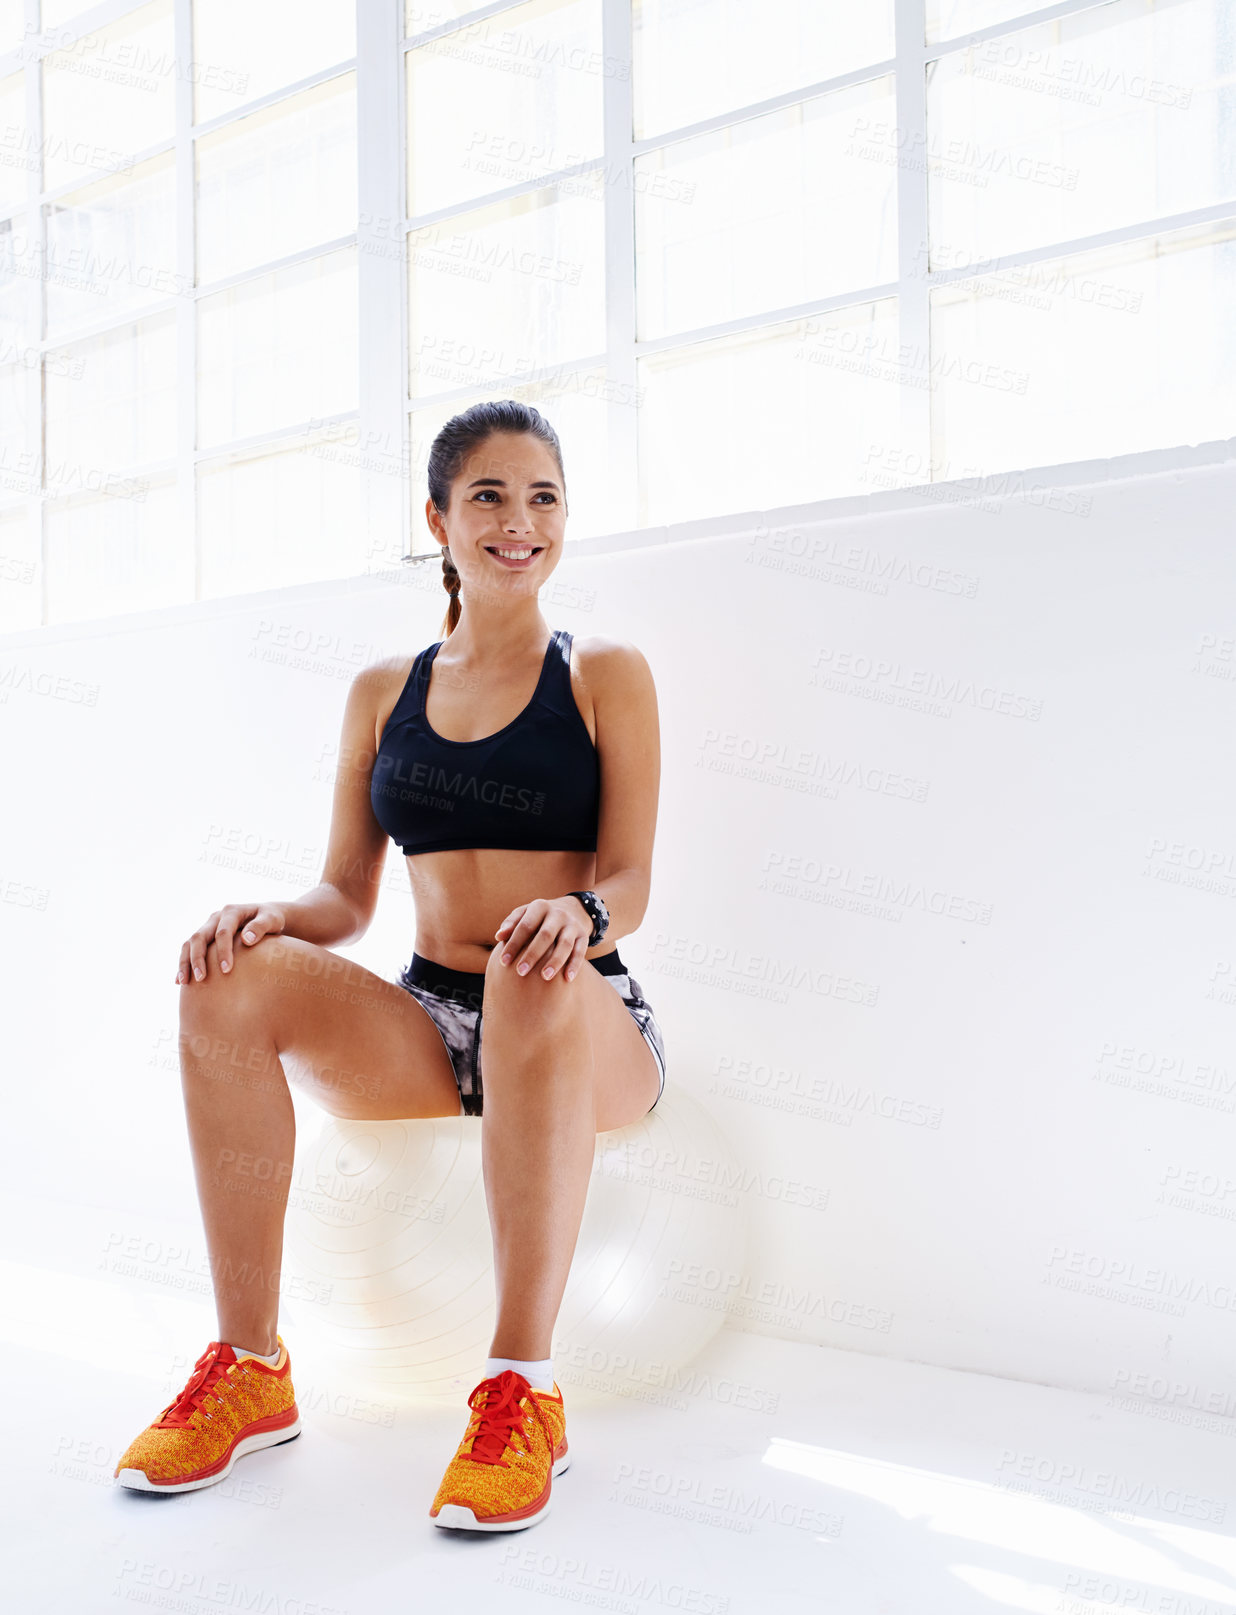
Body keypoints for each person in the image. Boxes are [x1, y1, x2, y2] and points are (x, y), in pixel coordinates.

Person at [113, 400, 668, 1533]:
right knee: (224, 975)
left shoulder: (604, 671)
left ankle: (523, 1387)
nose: (521, 522)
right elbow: (344, 897)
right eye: (490, 497)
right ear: (439, 518)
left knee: (527, 960)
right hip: (435, 1018)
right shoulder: (383, 690)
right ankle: (251, 1365)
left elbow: (633, 878)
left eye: (544, 498)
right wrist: (265, 916)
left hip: (580, 1013)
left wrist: (578, 913)